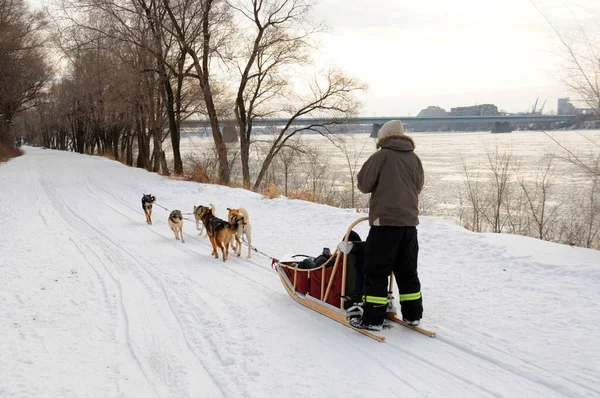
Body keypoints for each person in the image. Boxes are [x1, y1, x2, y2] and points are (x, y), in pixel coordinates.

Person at [350, 120, 425, 331]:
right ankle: (413, 315)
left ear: (383, 137)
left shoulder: (381, 156)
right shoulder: (415, 158)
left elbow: (364, 185)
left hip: (385, 224)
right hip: (409, 224)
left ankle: (372, 319)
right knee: (408, 271)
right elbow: (418, 186)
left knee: (377, 271)